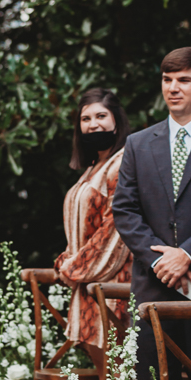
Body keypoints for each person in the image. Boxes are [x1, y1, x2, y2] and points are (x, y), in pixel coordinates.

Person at [112, 46, 191, 380]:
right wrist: (158, 259)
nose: (173, 88)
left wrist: (186, 254)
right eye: (167, 80)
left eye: (183, 80)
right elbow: (125, 209)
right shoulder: (139, 143)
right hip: (153, 284)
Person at [54, 88, 132, 349]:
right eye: (85, 119)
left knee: (118, 378)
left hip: (111, 285)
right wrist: (71, 261)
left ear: (116, 120)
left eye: (101, 115)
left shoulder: (123, 163)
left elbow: (115, 228)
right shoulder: (92, 168)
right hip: (87, 285)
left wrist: (73, 268)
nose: (93, 124)